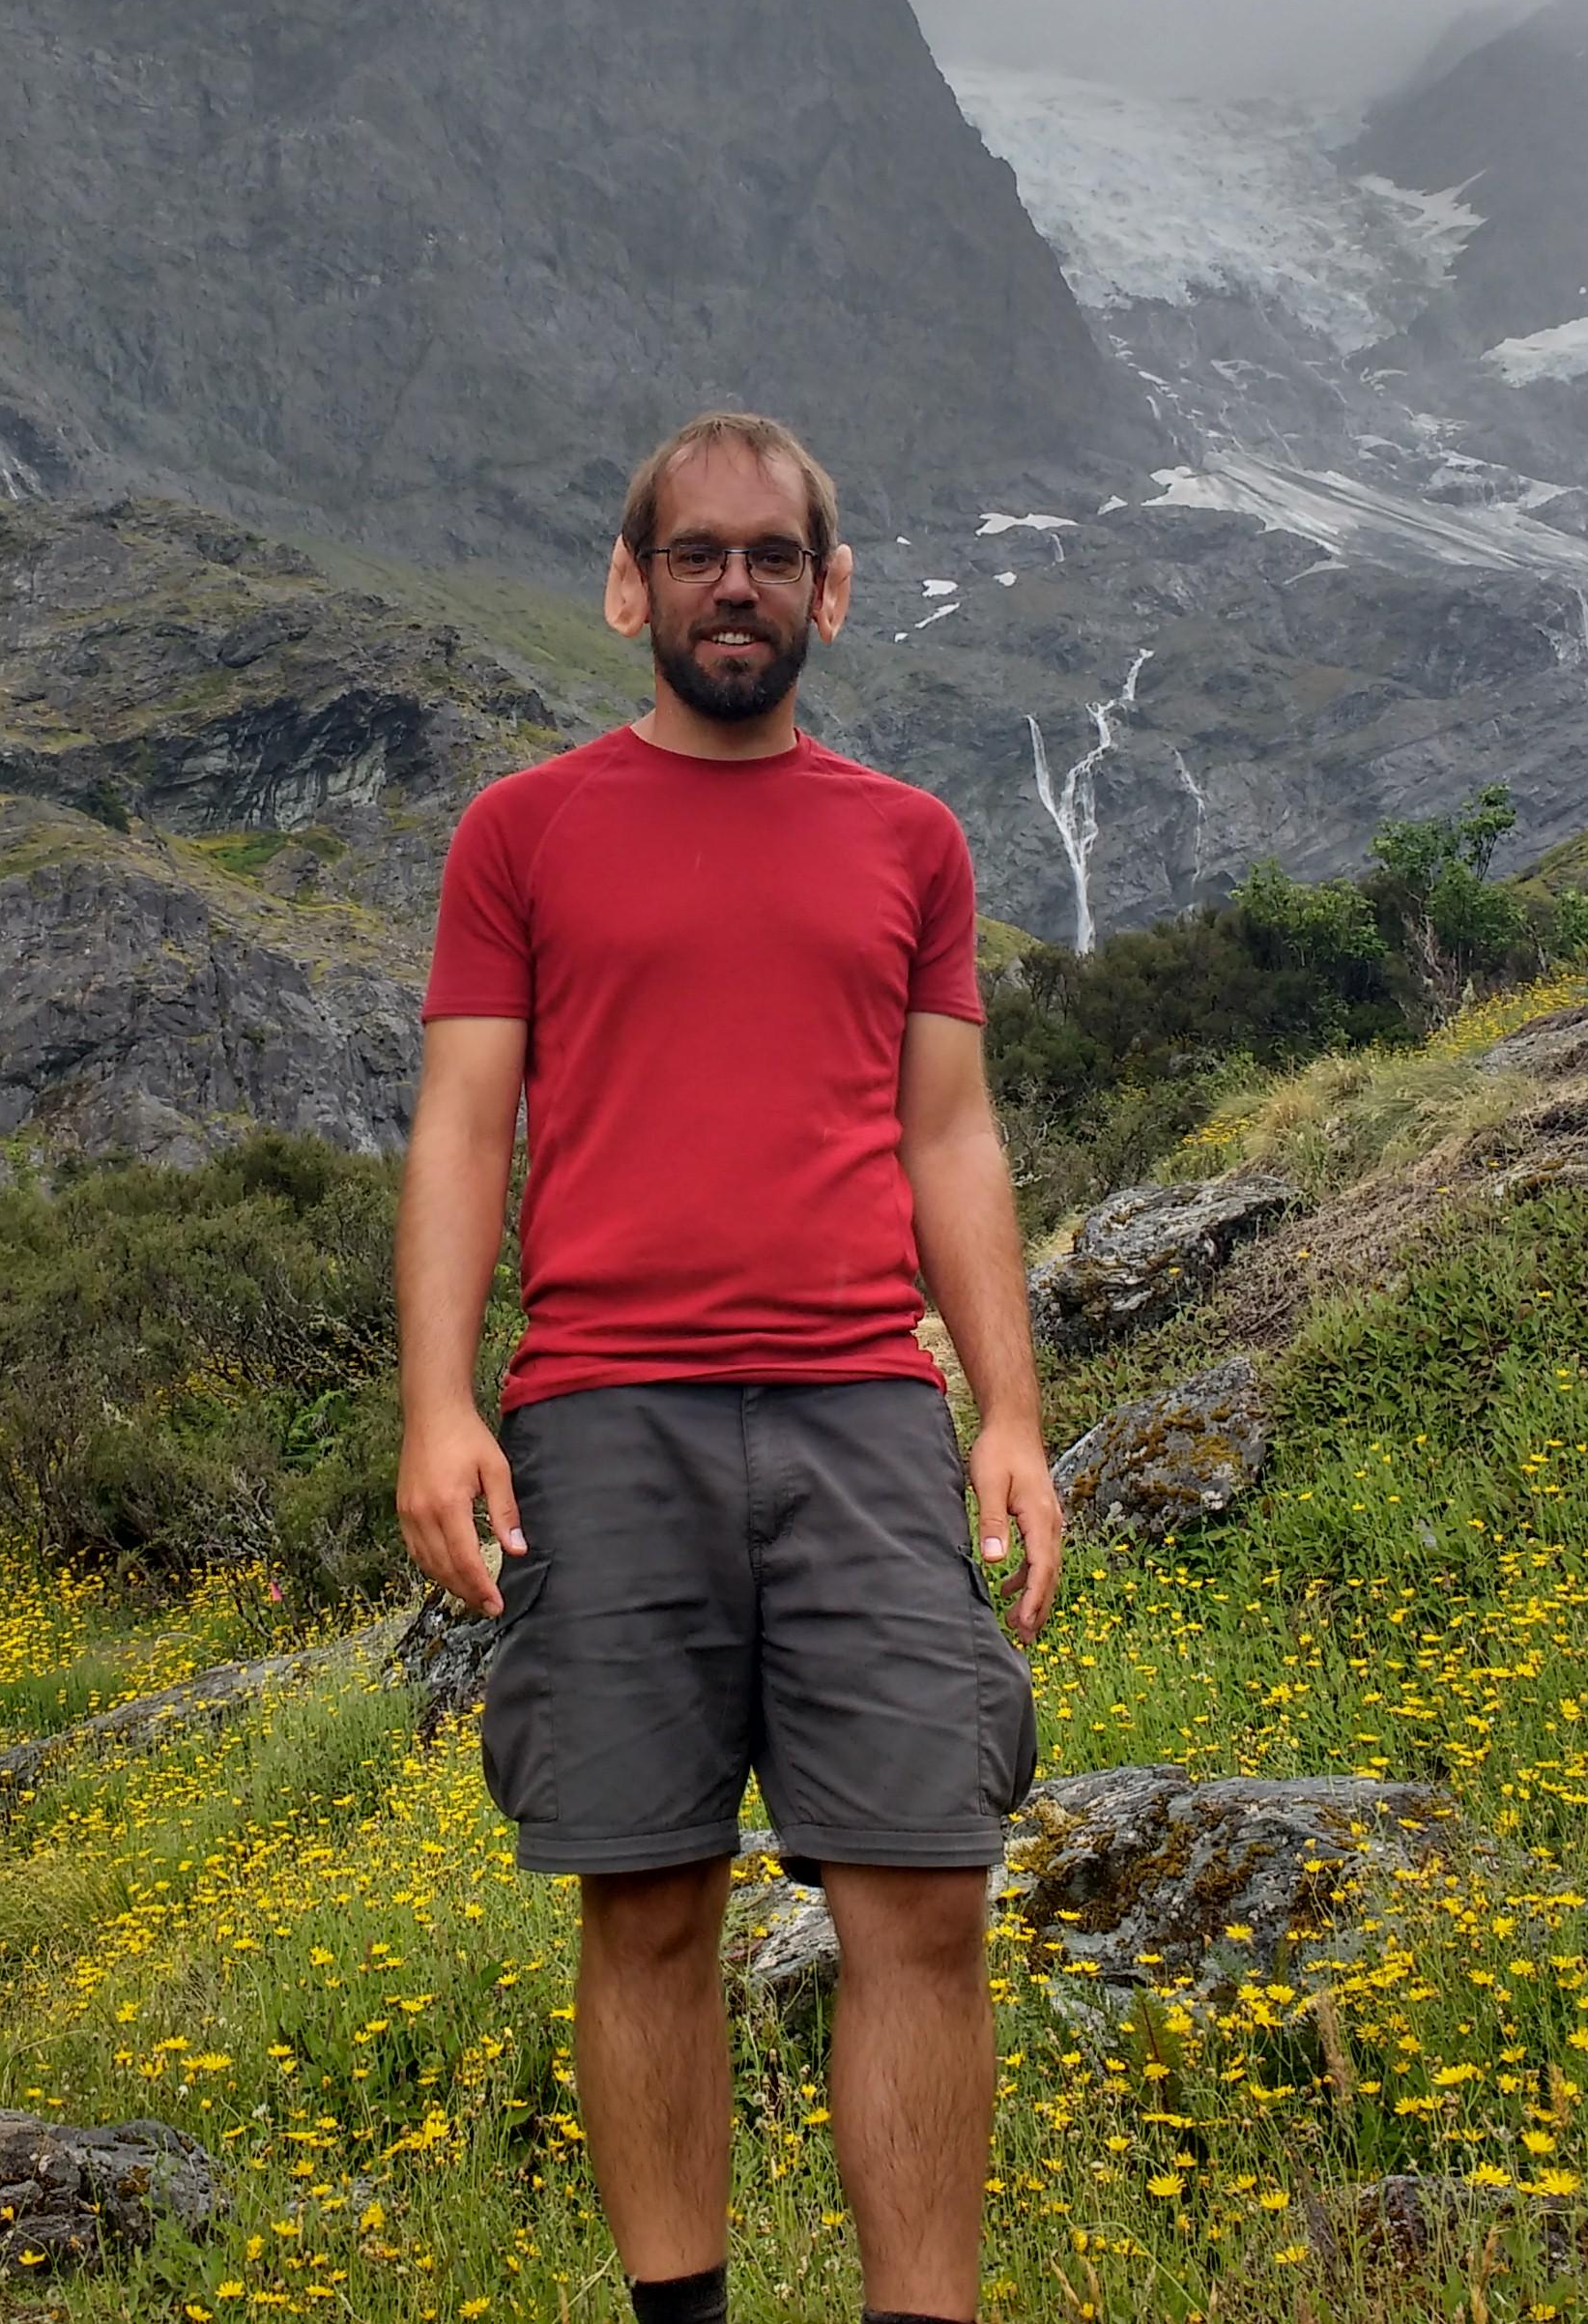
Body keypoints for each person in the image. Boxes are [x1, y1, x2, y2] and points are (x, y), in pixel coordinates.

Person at [394, 407, 1059, 2324]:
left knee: (923, 1896)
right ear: (633, 588)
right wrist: (438, 1406)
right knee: (648, 1899)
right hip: (603, 1419)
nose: (736, 586)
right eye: (698, 554)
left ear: (828, 592)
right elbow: (463, 1127)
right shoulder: (520, 833)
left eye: (773, 555)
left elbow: (951, 1137)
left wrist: (1011, 1415)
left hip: (866, 1414)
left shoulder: (910, 841)